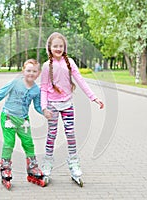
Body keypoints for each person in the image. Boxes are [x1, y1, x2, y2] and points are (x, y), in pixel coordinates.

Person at [40, 32, 104, 186]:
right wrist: (43, 108)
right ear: (49, 48)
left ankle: (74, 164)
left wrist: (93, 97)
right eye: (55, 46)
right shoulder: (46, 66)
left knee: (70, 134)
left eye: (61, 46)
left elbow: (80, 80)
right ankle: (47, 163)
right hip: (52, 106)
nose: (58, 48)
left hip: (67, 104)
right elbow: (43, 88)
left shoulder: (70, 62)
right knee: (52, 135)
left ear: (64, 47)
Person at [0, 59, 47, 189]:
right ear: (23, 71)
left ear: (38, 73)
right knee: (9, 143)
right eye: (28, 70)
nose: (31, 73)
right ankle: (5, 168)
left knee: (29, 143)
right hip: (8, 117)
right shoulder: (15, 83)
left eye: (34, 71)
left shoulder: (36, 90)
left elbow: (38, 106)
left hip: (23, 120)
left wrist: (45, 112)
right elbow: (0, 94)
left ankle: (32, 168)